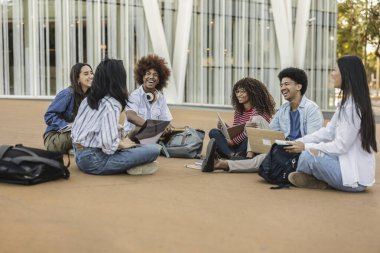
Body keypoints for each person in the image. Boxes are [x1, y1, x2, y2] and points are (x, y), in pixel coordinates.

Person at [202, 67, 324, 172]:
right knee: (256, 120)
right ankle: (247, 156)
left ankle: (220, 164)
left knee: (261, 159)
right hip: (281, 145)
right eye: (281, 85)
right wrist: (251, 131)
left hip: (297, 149)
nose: (282, 88)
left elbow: (313, 139)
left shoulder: (311, 109)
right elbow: (269, 131)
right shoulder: (284, 109)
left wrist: (289, 145)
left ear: (299, 86)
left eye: (286, 84)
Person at [286, 56, 377, 192]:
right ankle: (312, 178)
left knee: (307, 155)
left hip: (353, 179)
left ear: (346, 75)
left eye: (335, 70)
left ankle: (309, 177)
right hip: (343, 166)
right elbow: (327, 132)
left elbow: (341, 146)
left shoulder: (352, 108)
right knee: (304, 151)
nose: (332, 74)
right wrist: (298, 141)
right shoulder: (346, 104)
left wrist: (306, 147)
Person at [71, 59, 161, 175]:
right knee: (153, 150)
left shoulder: (88, 99)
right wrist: (122, 144)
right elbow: (108, 145)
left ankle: (134, 165)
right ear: (118, 79)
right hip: (95, 161)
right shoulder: (111, 104)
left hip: (79, 156)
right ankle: (133, 164)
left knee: (135, 146)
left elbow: (76, 131)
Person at [208, 77, 275, 159]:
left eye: (243, 91)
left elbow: (253, 133)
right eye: (237, 91)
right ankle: (232, 155)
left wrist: (233, 142)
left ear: (252, 93)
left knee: (249, 134)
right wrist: (224, 128)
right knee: (214, 132)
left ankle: (228, 153)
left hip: (248, 145)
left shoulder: (259, 111)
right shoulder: (238, 111)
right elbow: (235, 131)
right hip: (236, 145)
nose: (239, 95)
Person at [43, 63, 93, 153]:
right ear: (77, 78)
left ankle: (79, 149)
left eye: (91, 73)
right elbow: (49, 116)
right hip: (55, 137)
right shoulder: (68, 94)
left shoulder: (90, 97)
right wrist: (68, 126)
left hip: (75, 134)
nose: (91, 76)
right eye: (86, 74)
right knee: (87, 133)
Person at [124, 54, 173, 138]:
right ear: (142, 77)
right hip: (131, 137)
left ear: (159, 80)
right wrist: (155, 127)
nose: (151, 77)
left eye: (155, 75)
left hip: (151, 136)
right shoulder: (135, 95)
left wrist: (168, 126)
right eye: (148, 73)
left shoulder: (160, 97)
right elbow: (131, 117)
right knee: (138, 128)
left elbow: (166, 121)